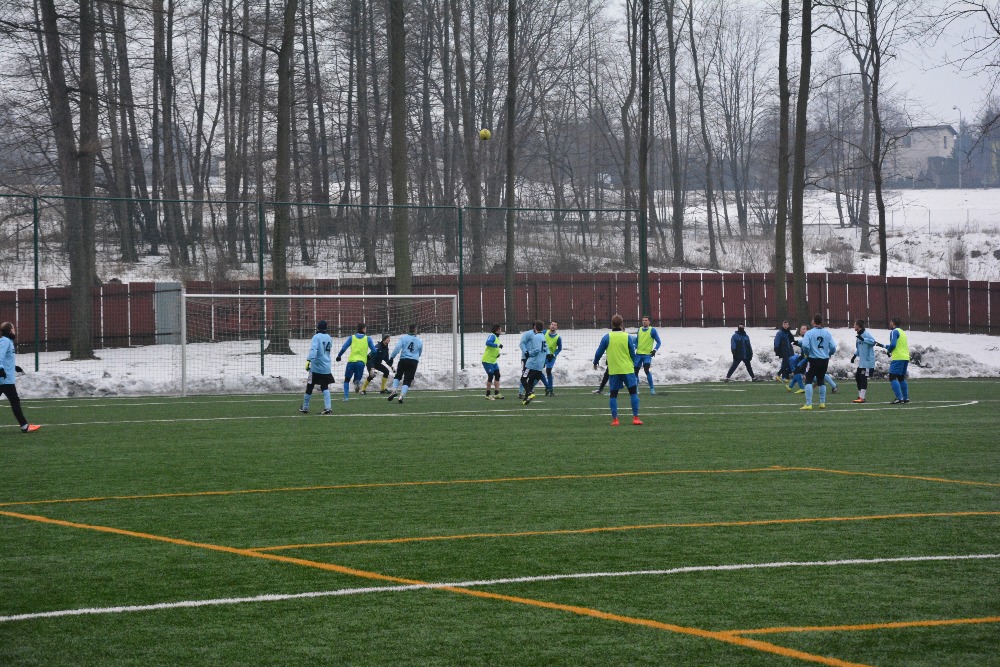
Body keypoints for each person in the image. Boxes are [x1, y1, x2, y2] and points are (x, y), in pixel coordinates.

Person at [593, 314, 642, 426]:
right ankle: (635, 418)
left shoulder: (607, 337)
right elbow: (632, 352)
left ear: (612, 324)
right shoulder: (627, 336)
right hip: (627, 369)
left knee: (613, 395)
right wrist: (634, 363)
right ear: (622, 324)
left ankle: (615, 420)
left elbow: (599, 352)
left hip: (614, 370)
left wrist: (595, 362)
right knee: (633, 393)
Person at [0, 323, 40, 433]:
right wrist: (1, 369)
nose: (15, 330)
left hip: (5, 378)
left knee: (15, 401)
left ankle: (24, 426)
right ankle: (24, 426)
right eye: (13, 328)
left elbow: (6, 359)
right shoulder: (5, 341)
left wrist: (14, 367)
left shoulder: (8, 342)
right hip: (5, 379)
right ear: (10, 331)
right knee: (15, 401)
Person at [799, 313, 837, 410]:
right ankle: (822, 403)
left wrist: (807, 353)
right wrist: (829, 353)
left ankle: (808, 404)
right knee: (821, 380)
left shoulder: (809, 333)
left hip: (813, 359)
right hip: (824, 360)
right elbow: (833, 347)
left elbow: (805, 345)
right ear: (821, 321)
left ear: (813, 321)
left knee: (808, 380)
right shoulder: (827, 333)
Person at [299, 320, 334, 415]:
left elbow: (314, 350)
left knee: (310, 386)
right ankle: (328, 408)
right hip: (326, 367)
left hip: (316, 367)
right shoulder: (329, 337)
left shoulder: (316, 337)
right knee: (325, 387)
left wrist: (309, 360)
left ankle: (305, 407)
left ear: (318, 327)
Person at [336, 323, 377, 401]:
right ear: (363, 329)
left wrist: (339, 356)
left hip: (351, 361)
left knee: (347, 379)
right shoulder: (368, 339)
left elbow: (344, 348)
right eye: (365, 328)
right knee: (357, 378)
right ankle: (356, 382)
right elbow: (374, 351)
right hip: (361, 362)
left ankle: (346, 397)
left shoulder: (352, 337)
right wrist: (369, 356)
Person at [387, 324, 424, 404]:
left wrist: (392, 357)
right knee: (408, 379)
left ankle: (394, 390)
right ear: (415, 330)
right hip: (413, 361)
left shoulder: (403, 338)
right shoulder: (420, 341)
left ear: (408, 330)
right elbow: (420, 353)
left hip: (403, 359)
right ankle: (401, 396)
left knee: (398, 376)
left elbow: (397, 348)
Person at [850, 318, 882, 404]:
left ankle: (862, 397)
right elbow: (859, 348)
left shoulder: (866, 334)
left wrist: (863, 339)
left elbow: (873, 342)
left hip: (868, 361)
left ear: (858, 326)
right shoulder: (858, 336)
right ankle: (860, 396)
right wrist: (854, 356)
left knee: (863, 378)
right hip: (862, 362)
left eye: (854, 324)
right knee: (858, 377)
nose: (853, 326)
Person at [883, 316, 911, 404]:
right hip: (905, 357)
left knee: (892, 377)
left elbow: (893, 344)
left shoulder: (894, 331)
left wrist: (888, 351)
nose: (890, 323)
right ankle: (905, 398)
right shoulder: (902, 332)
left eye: (891, 321)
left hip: (898, 357)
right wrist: (883, 345)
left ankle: (899, 398)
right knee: (901, 378)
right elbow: (897, 345)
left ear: (893, 323)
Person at [633, 315, 662, 395]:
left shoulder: (652, 330)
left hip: (647, 355)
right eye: (643, 320)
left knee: (646, 370)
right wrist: (634, 347)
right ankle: (636, 388)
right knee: (635, 372)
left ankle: (652, 389)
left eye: (646, 320)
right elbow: (637, 341)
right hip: (638, 354)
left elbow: (659, 342)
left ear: (649, 322)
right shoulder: (639, 330)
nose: (644, 321)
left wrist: (655, 350)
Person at [520, 320, 546, 405]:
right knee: (531, 380)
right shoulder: (543, 336)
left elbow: (537, 350)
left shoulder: (536, 336)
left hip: (532, 363)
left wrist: (529, 353)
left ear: (535, 327)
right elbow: (545, 350)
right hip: (540, 363)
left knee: (523, 379)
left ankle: (529, 393)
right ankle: (526, 399)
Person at [482, 324, 504, 400]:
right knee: (491, 376)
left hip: (493, 361)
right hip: (487, 361)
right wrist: (497, 345)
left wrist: (497, 354)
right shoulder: (492, 335)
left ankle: (496, 394)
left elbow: (493, 349)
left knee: (497, 375)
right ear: (497, 330)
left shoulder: (497, 338)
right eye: (500, 329)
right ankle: (487, 395)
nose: (501, 331)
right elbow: (488, 343)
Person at [542, 321, 562, 396]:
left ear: (557, 327)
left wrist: (554, 354)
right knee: (538, 371)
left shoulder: (558, 337)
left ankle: (551, 389)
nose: (553, 326)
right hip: (543, 355)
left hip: (551, 357)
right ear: (549, 326)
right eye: (552, 324)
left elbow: (559, 348)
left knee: (548, 371)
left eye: (555, 325)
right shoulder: (544, 332)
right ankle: (547, 386)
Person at [517, 324, 537, 398]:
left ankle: (529, 389)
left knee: (535, 375)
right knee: (524, 375)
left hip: (534, 358)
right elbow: (522, 343)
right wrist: (526, 352)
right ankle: (520, 392)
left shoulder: (540, 335)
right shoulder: (528, 333)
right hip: (526, 358)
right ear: (534, 326)